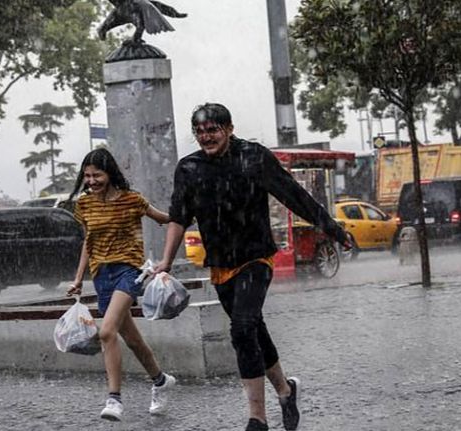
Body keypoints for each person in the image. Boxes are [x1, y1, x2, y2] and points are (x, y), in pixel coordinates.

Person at [154, 103, 350, 431]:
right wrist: (166, 262)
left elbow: (293, 195)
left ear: (229, 129)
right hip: (220, 264)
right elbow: (179, 216)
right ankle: (286, 391)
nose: (206, 137)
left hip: (256, 258)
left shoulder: (254, 157)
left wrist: (331, 228)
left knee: (242, 328)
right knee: (254, 329)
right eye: (200, 132)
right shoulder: (189, 168)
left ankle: (256, 418)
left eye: (213, 130)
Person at [67, 148, 175, 422]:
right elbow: (88, 243)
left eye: (97, 175)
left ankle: (114, 399)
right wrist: (79, 278)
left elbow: (164, 218)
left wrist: (191, 214)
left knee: (106, 332)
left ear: (110, 173)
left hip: (129, 271)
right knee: (133, 339)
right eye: (87, 176)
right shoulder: (84, 204)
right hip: (102, 275)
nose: (91, 181)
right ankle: (161, 380)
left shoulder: (132, 200)